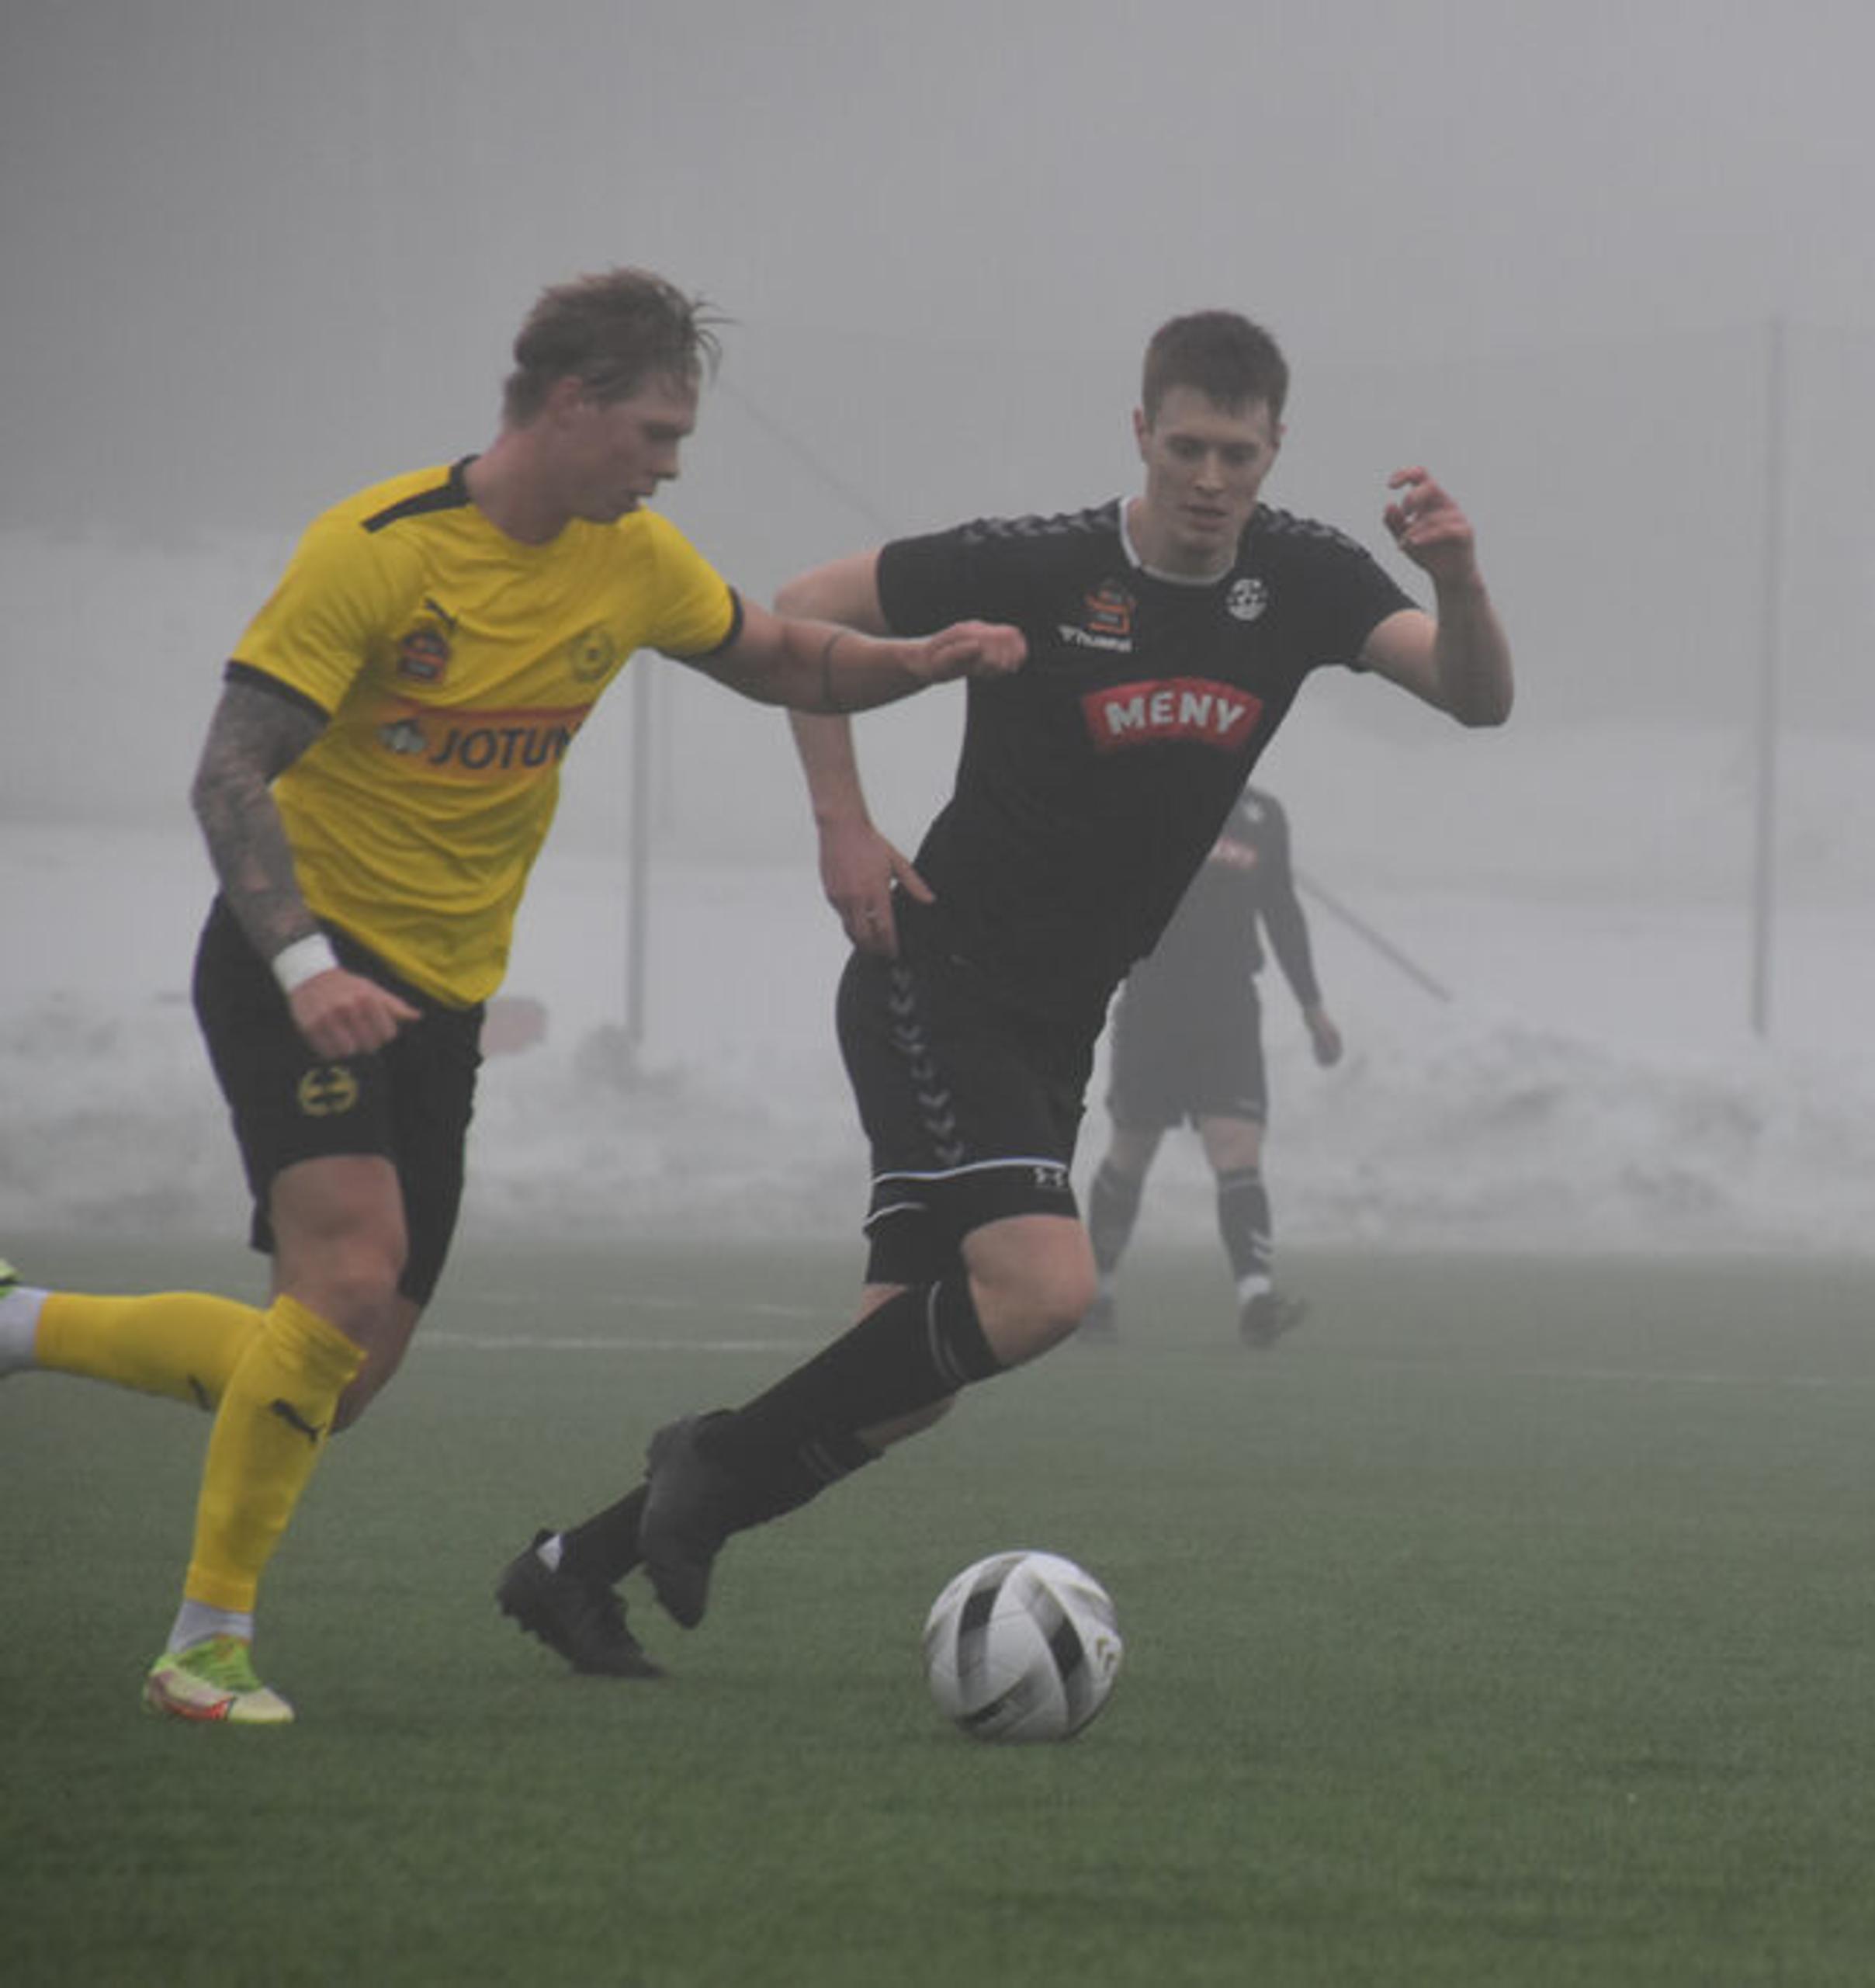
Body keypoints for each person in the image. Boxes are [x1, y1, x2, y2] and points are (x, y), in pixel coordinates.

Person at [0, 270, 1024, 1724]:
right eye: (656, 432)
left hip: (443, 998)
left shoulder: (632, 559)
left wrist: (915, 661)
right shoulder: (377, 551)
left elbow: (778, 653)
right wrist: (305, 969)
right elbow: (229, 776)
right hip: (301, 960)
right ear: (569, 402)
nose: (671, 464)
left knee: (334, 1377)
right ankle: (204, 1647)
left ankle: (25, 1325)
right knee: (345, 1281)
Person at [500, 308, 1510, 1677]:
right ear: (1141, 433)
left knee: (898, 1380)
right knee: (1039, 1292)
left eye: (1239, 454)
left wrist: (1458, 578)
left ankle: (574, 1569)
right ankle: (709, 1462)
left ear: (1277, 448)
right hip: (939, 977)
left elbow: (1474, 697)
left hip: (1058, 1019)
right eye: (1188, 448)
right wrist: (842, 825)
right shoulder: (1038, 565)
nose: (1211, 480)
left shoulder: (1307, 578)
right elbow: (803, 605)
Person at [1083, 783, 1342, 1345]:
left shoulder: (1262, 814)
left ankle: (1256, 1299)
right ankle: (1097, 1293)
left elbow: (1282, 911)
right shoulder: (1150, 792)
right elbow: (1098, 889)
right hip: (1154, 1002)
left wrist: (1312, 1007)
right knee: (1132, 1149)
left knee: (1236, 1147)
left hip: (1228, 1008)